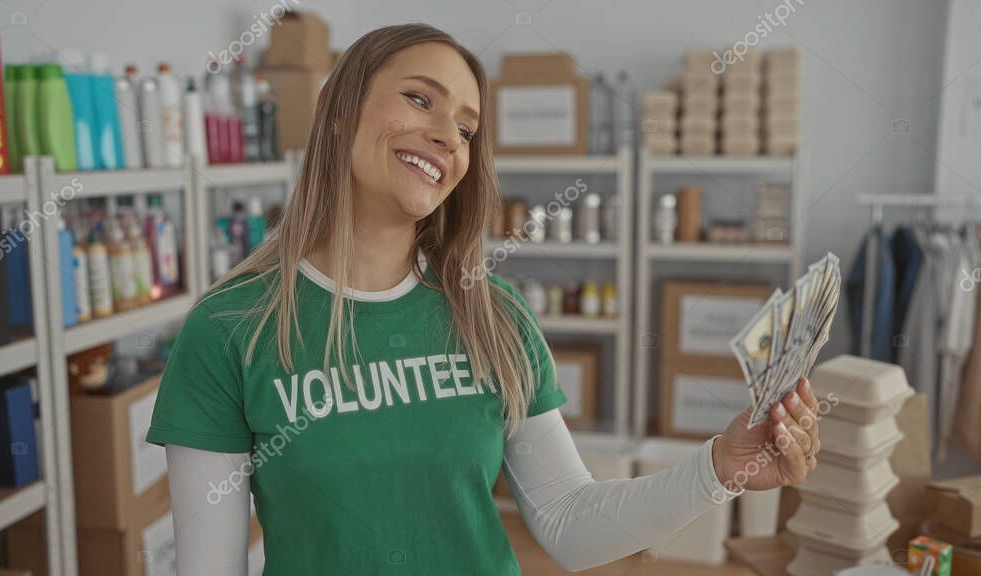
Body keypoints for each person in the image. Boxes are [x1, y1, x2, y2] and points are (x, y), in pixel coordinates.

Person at [145, 23, 822, 575]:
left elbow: (567, 521)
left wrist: (719, 469)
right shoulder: (231, 328)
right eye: (420, 99)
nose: (448, 135)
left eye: (467, 128)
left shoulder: (491, 313)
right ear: (341, 108)